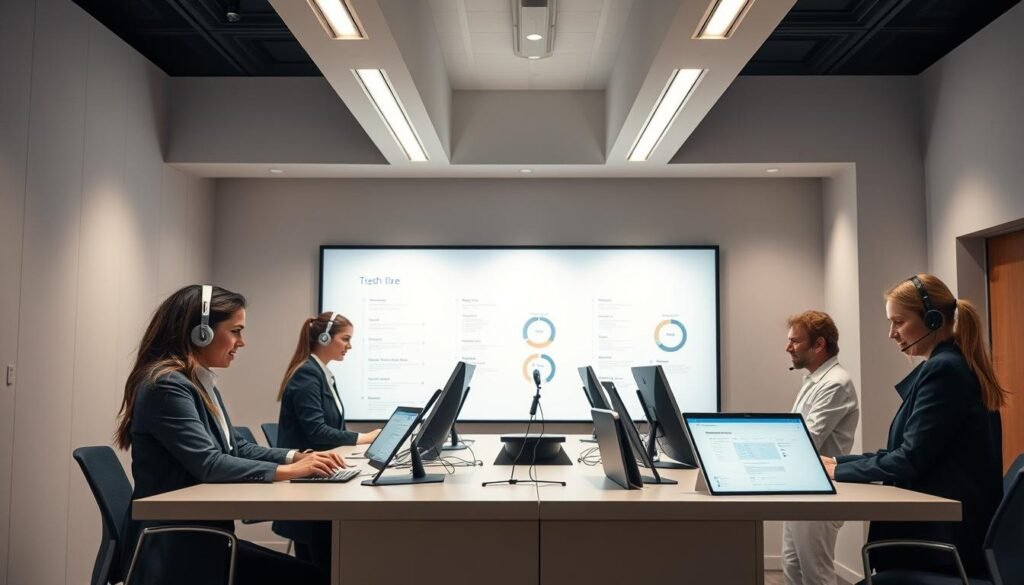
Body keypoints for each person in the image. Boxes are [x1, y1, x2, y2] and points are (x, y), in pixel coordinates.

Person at [115, 284, 344, 585]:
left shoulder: (196, 381)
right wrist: (286, 471)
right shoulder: (166, 386)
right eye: (236, 331)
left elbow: (235, 447)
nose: (242, 342)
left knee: (318, 574)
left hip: (202, 539)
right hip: (178, 548)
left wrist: (297, 457)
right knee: (315, 578)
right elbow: (209, 463)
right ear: (201, 332)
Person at [821, 274, 1005, 578]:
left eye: (899, 322)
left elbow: (908, 459)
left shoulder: (945, 371)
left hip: (943, 543)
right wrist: (838, 462)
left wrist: (837, 472)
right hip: (947, 536)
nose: (892, 333)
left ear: (933, 320)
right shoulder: (949, 365)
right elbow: (904, 451)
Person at [273, 312, 381, 569]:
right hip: (306, 484)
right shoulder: (306, 375)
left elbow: (333, 427)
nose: (350, 346)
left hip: (320, 475)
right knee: (319, 565)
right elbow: (317, 432)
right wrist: (364, 438)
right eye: (345, 339)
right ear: (324, 338)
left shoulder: (321, 373)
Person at [782, 310, 859, 585]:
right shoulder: (814, 380)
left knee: (816, 574)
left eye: (795, 341)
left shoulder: (835, 383)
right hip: (801, 488)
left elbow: (806, 440)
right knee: (793, 568)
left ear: (819, 345)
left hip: (820, 491)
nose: (787, 347)